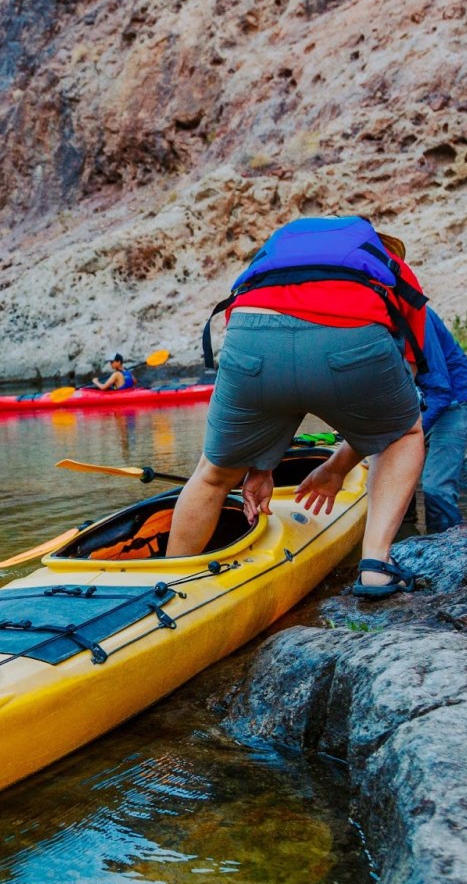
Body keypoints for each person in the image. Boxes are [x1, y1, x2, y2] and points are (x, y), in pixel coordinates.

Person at [166, 216, 428, 599]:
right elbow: (394, 403)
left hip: (251, 335)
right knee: (405, 432)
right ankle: (375, 566)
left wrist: (260, 464)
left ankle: (169, 583)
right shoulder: (388, 264)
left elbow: (272, 356)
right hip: (349, 337)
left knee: (212, 474)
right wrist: (338, 467)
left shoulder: (274, 258)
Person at [416, 309, 467, 532]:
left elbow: (441, 390)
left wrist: (405, 432)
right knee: (396, 485)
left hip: (454, 400)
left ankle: (449, 549)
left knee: (436, 488)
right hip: (421, 401)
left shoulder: (415, 315)